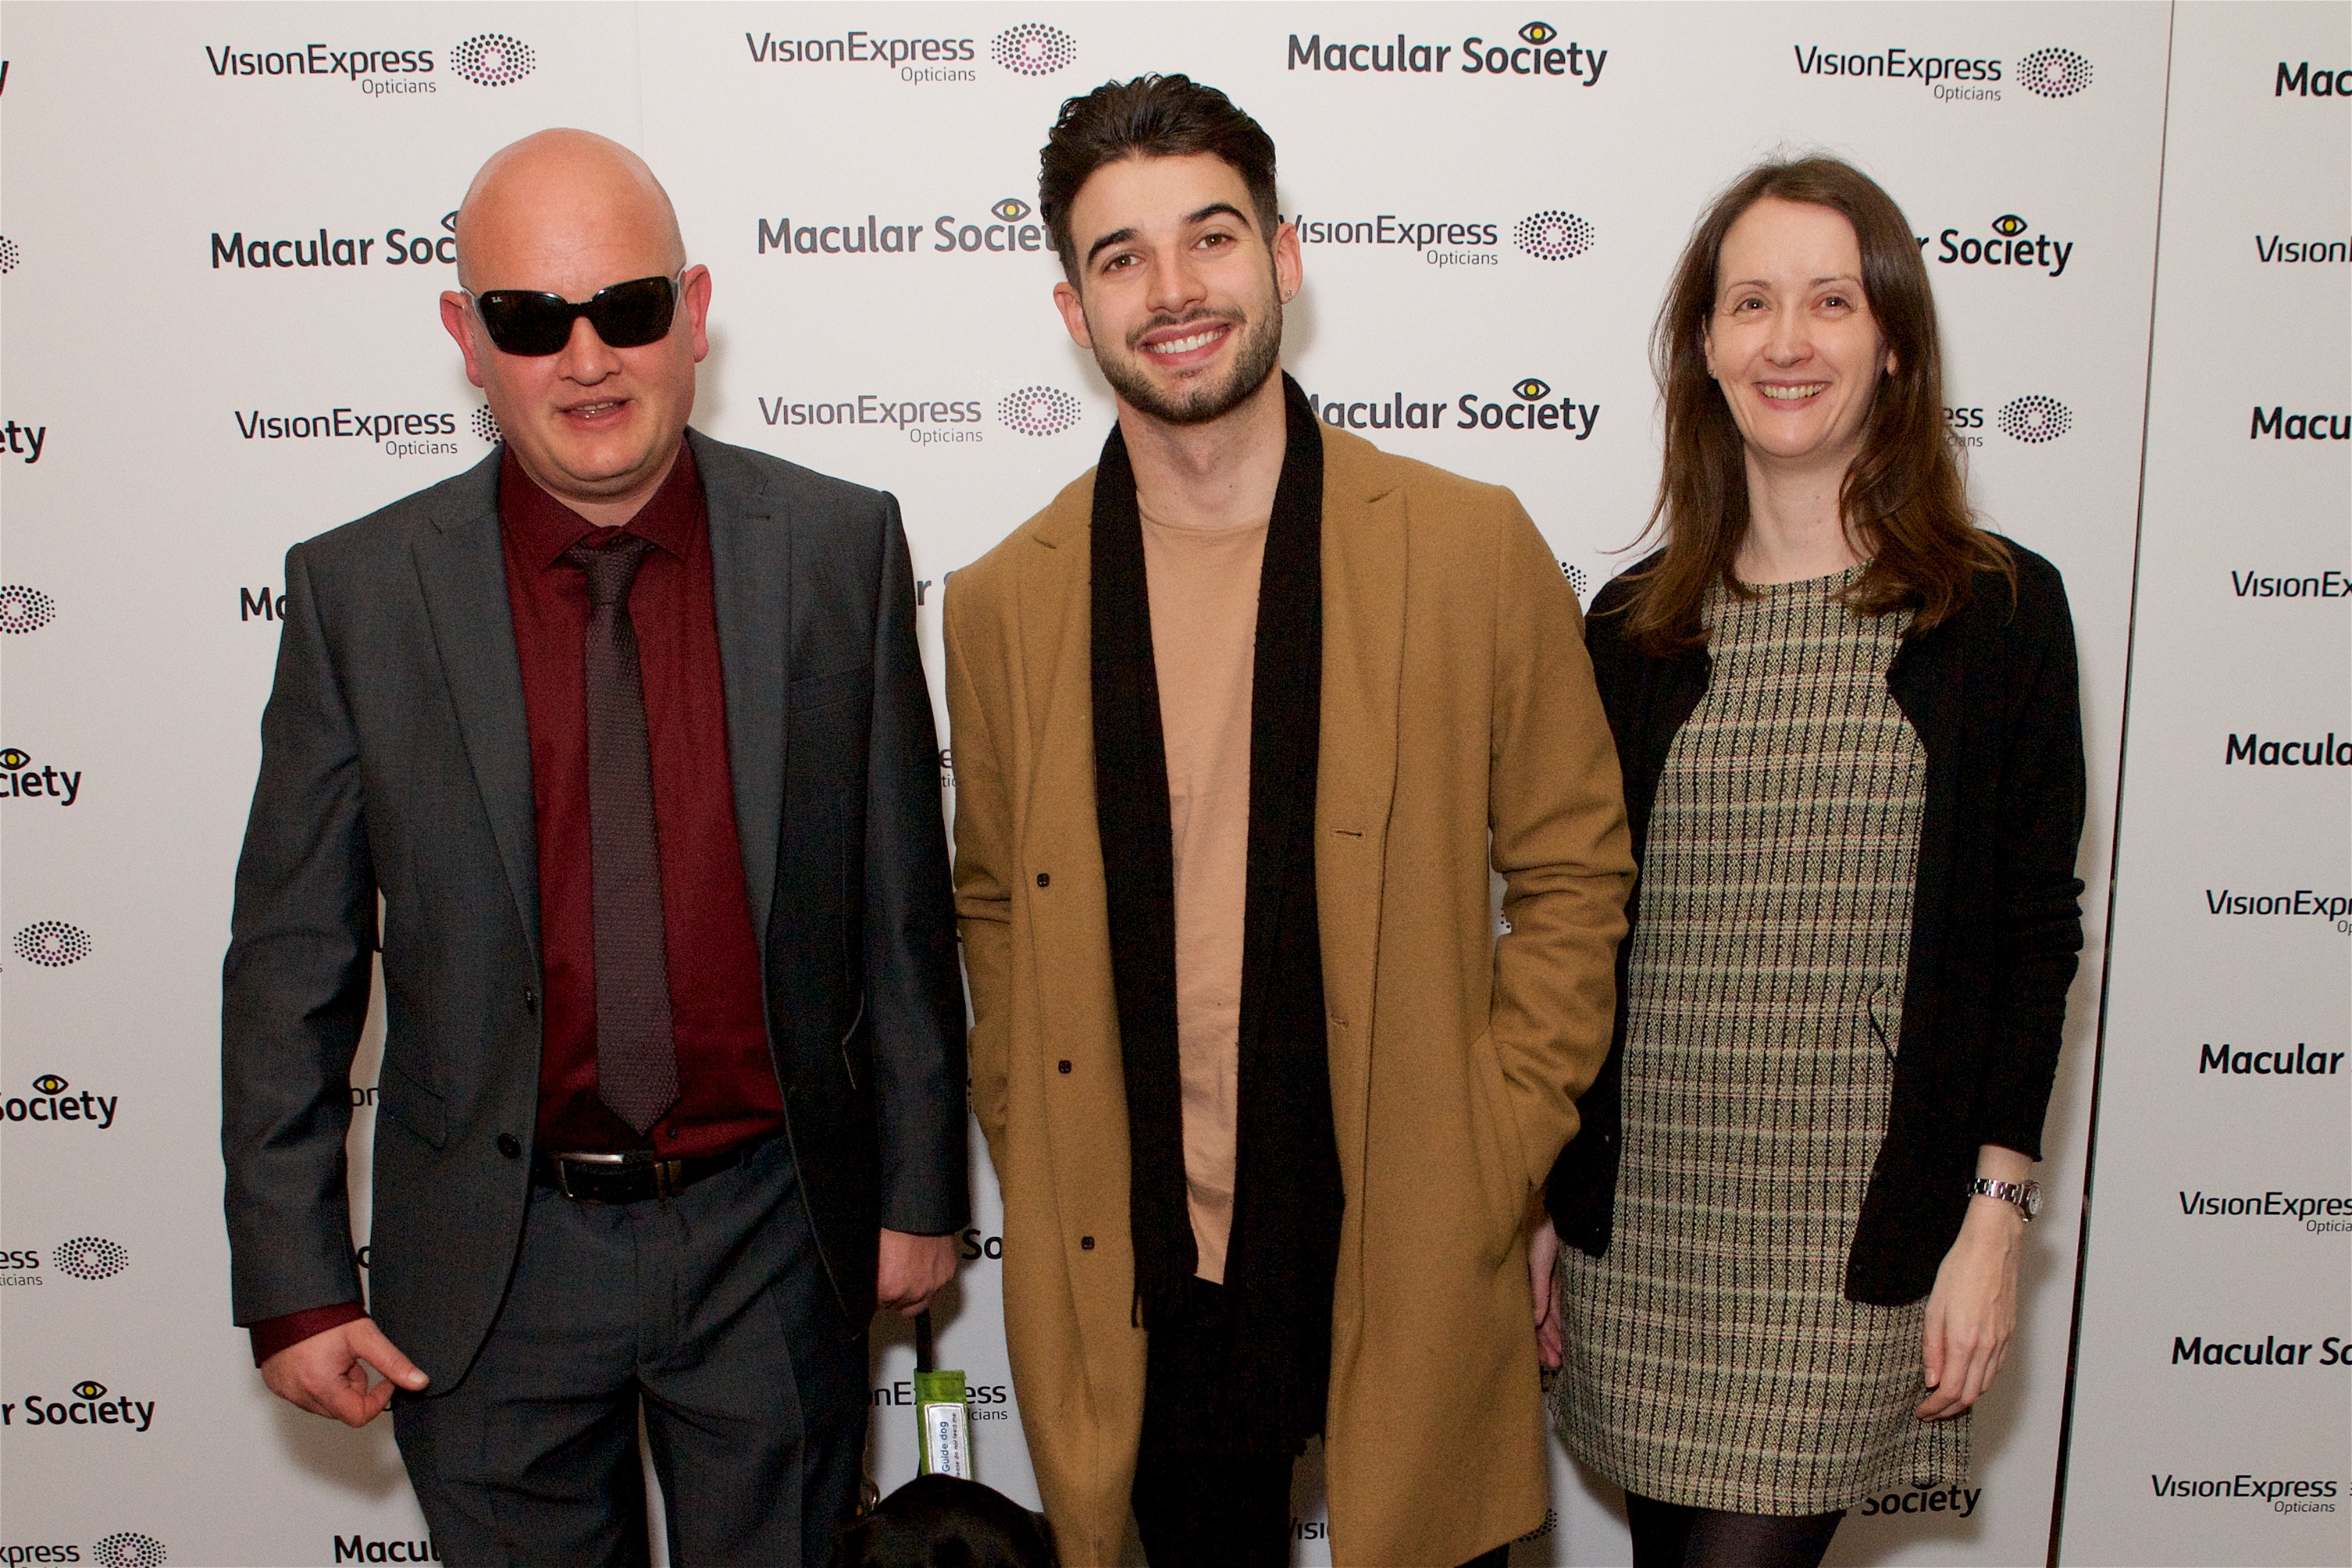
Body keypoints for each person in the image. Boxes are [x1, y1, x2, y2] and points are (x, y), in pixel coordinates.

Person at [221, 129, 968, 1566]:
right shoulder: (359, 595)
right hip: (491, 1262)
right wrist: (297, 1282)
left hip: (772, 1231)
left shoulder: (837, 547)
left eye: (626, 309)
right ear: (465, 337)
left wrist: (922, 1188)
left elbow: (902, 905)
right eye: (527, 319)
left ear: (693, 312)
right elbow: (290, 967)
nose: (585, 360)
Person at [944, 76, 1635, 1568]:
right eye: (1121, 257)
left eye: (1211, 237)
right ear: (1073, 308)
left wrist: (1494, 1139)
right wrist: (1028, 1110)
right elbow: (990, 897)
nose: (1174, 290)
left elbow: (1577, 869)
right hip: (1140, 1256)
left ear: (1286, 256)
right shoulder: (1009, 599)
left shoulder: (1465, 545)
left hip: (1397, 1222)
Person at [1531, 154, 2087, 1568]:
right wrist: (1545, 1200)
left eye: (1830, 301)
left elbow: (2033, 937)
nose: (1788, 341)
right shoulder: (1629, 631)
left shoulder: (1998, 613)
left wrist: (1995, 1222)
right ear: (1705, 349)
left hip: (1856, 1246)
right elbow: (1579, 936)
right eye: (1751, 304)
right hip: (1643, 1231)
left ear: (1891, 340)